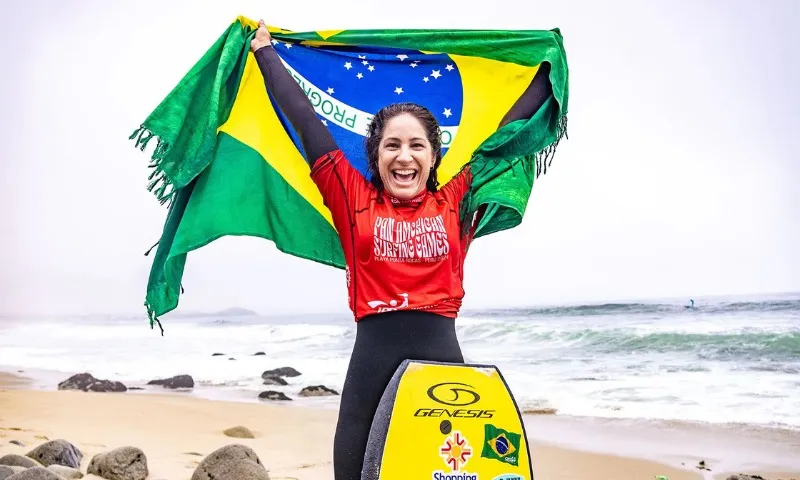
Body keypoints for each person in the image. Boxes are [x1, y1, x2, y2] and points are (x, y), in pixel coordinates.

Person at [250, 20, 553, 480]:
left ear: (434, 156)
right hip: (370, 368)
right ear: (376, 157)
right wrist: (265, 54)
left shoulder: (457, 200)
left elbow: (506, 134)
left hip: (444, 369)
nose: (404, 156)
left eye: (417, 145)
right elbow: (306, 121)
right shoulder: (350, 195)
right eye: (392, 145)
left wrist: (550, 69)